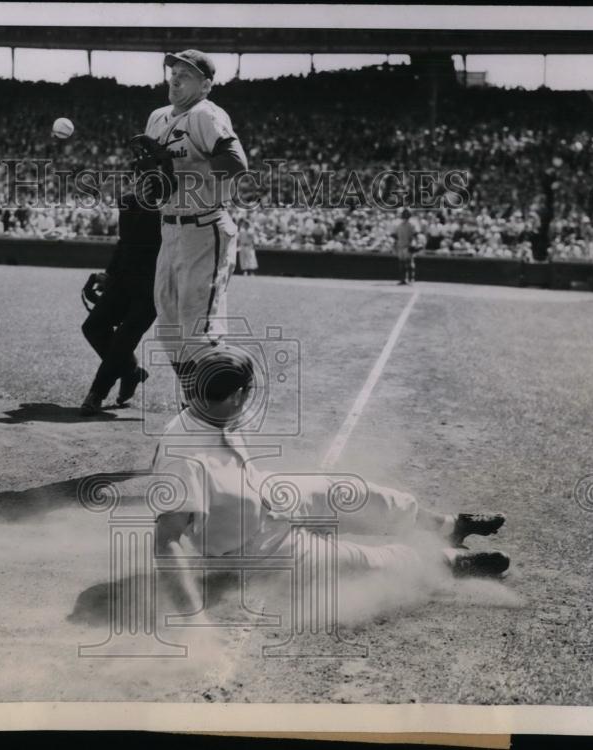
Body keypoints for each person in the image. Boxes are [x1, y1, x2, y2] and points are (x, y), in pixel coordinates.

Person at [152, 345, 510, 600]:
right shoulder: (184, 456)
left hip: (264, 494)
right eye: (247, 392)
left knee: (352, 491)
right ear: (236, 397)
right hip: (249, 546)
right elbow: (166, 539)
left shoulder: (212, 407)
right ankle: (449, 561)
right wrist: (191, 617)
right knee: (362, 562)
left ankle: (447, 527)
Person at [142, 50, 249, 402]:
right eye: (172, 71)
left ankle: (228, 399)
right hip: (169, 227)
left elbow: (235, 164)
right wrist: (150, 176)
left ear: (205, 85)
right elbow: (156, 176)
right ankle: (195, 396)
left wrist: (182, 173)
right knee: (169, 325)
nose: (174, 78)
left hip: (205, 227)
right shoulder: (157, 117)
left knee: (198, 324)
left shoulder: (206, 114)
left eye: (185, 74)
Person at [79, 191, 161, 415]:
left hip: (154, 283)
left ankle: (97, 392)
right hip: (123, 279)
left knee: (125, 337)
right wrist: (108, 274)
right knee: (92, 327)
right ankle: (131, 371)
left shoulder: (175, 201)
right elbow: (124, 242)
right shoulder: (128, 200)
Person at [394, 208, 416, 285]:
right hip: (401, 246)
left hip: (407, 245)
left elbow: (414, 236)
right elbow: (396, 236)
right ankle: (403, 279)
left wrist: (412, 244)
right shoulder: (399, 225)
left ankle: (410, 279)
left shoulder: (411, 225)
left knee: (408, 262)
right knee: (402, 263)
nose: (405, 216)